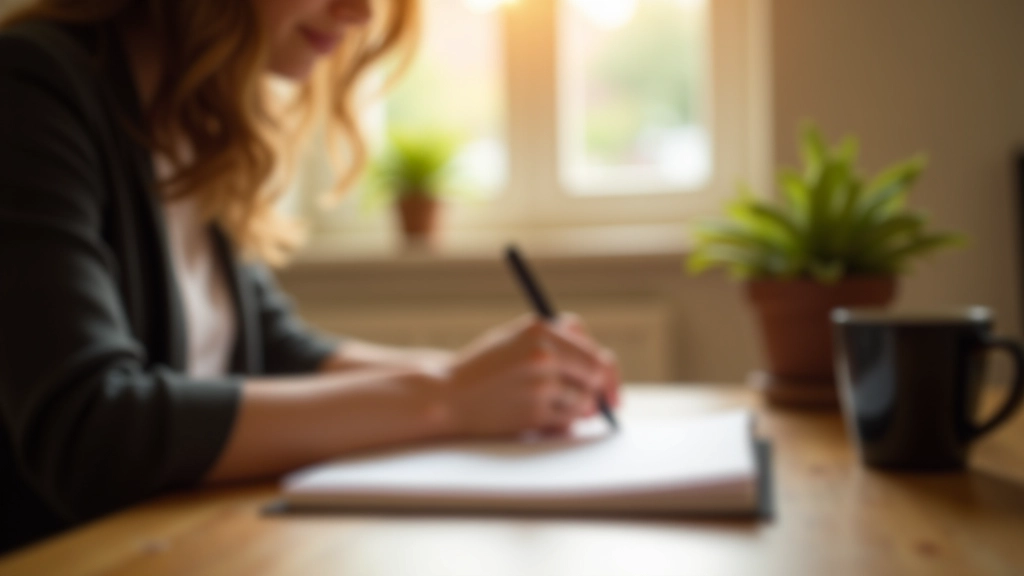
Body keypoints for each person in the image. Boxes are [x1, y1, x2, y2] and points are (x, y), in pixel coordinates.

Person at [0, 0, 621, 552]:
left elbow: (277, 352)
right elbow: (91, 428)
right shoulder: (30, 86)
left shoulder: (197, 126)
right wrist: (447, 400)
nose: (361, 12)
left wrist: (486, 379)